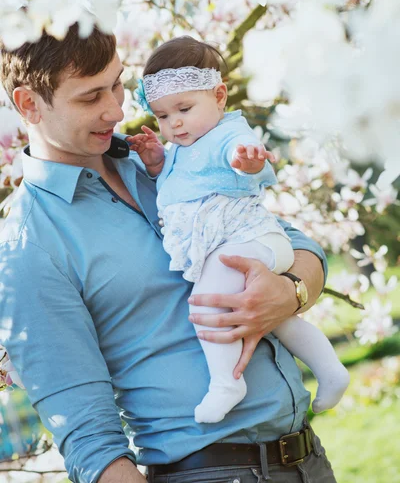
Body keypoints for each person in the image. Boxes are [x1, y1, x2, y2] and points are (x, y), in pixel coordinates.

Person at [0, 24, 337, 483]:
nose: (117, 110)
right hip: (207, 473)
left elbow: (297, 244)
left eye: (117, 84)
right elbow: (89, 440)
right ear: (28, 105)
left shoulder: (167, 160)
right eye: (90, 97)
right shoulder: (29, 247)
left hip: (309, 462)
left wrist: (289, 291)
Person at [128, 36, 349, 425]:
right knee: (276, 319)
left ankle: (226, 383)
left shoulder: (228, 135)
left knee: (208, 302)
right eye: (162, 116)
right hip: (243, 249)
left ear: (219, 96)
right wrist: (157, 163)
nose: (173, 122)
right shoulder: (182, 145)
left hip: (253, 241)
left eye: (183, 108)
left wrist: (246, 161)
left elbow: (247, 156)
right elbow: (182, 185)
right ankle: (331, 371)